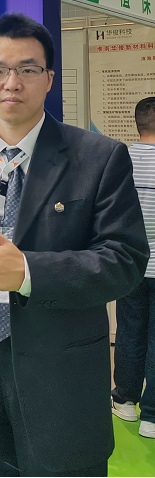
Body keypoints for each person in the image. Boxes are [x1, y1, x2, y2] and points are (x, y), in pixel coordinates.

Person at [0, 13, 149, 476]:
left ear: (49, 78)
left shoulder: (98, 157)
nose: (12, 82)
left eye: (27, 69)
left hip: (59, 368)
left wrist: (29, 272)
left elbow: (125, 260)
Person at [112, 96, 155, 437]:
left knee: (129, 330)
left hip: (130, 265)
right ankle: (152, 416)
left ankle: (125, 400)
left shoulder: (119, 161)